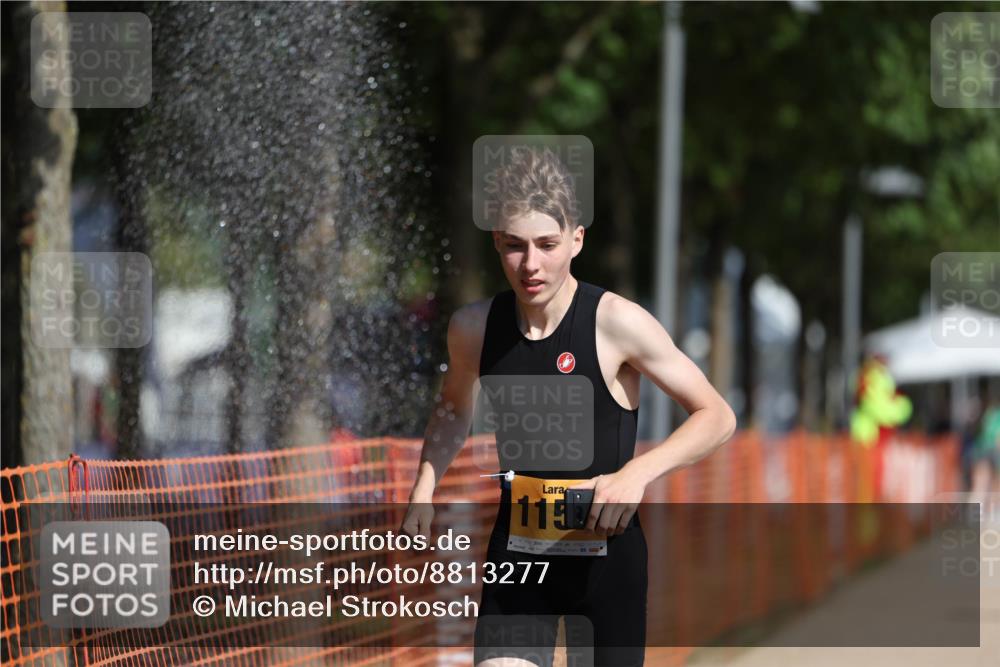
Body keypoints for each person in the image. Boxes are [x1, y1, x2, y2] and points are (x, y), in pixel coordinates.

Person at [401, 146, 736, 667]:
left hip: (606, 566)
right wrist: (424, 486)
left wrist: (637, 473)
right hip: (519, 559)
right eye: (514, 246)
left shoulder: (617, 323)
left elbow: (716, 415)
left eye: (547, 245)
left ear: (577, 239)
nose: (530, 264)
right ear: (496, 242)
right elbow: (452, 410)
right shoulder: (473, 329)